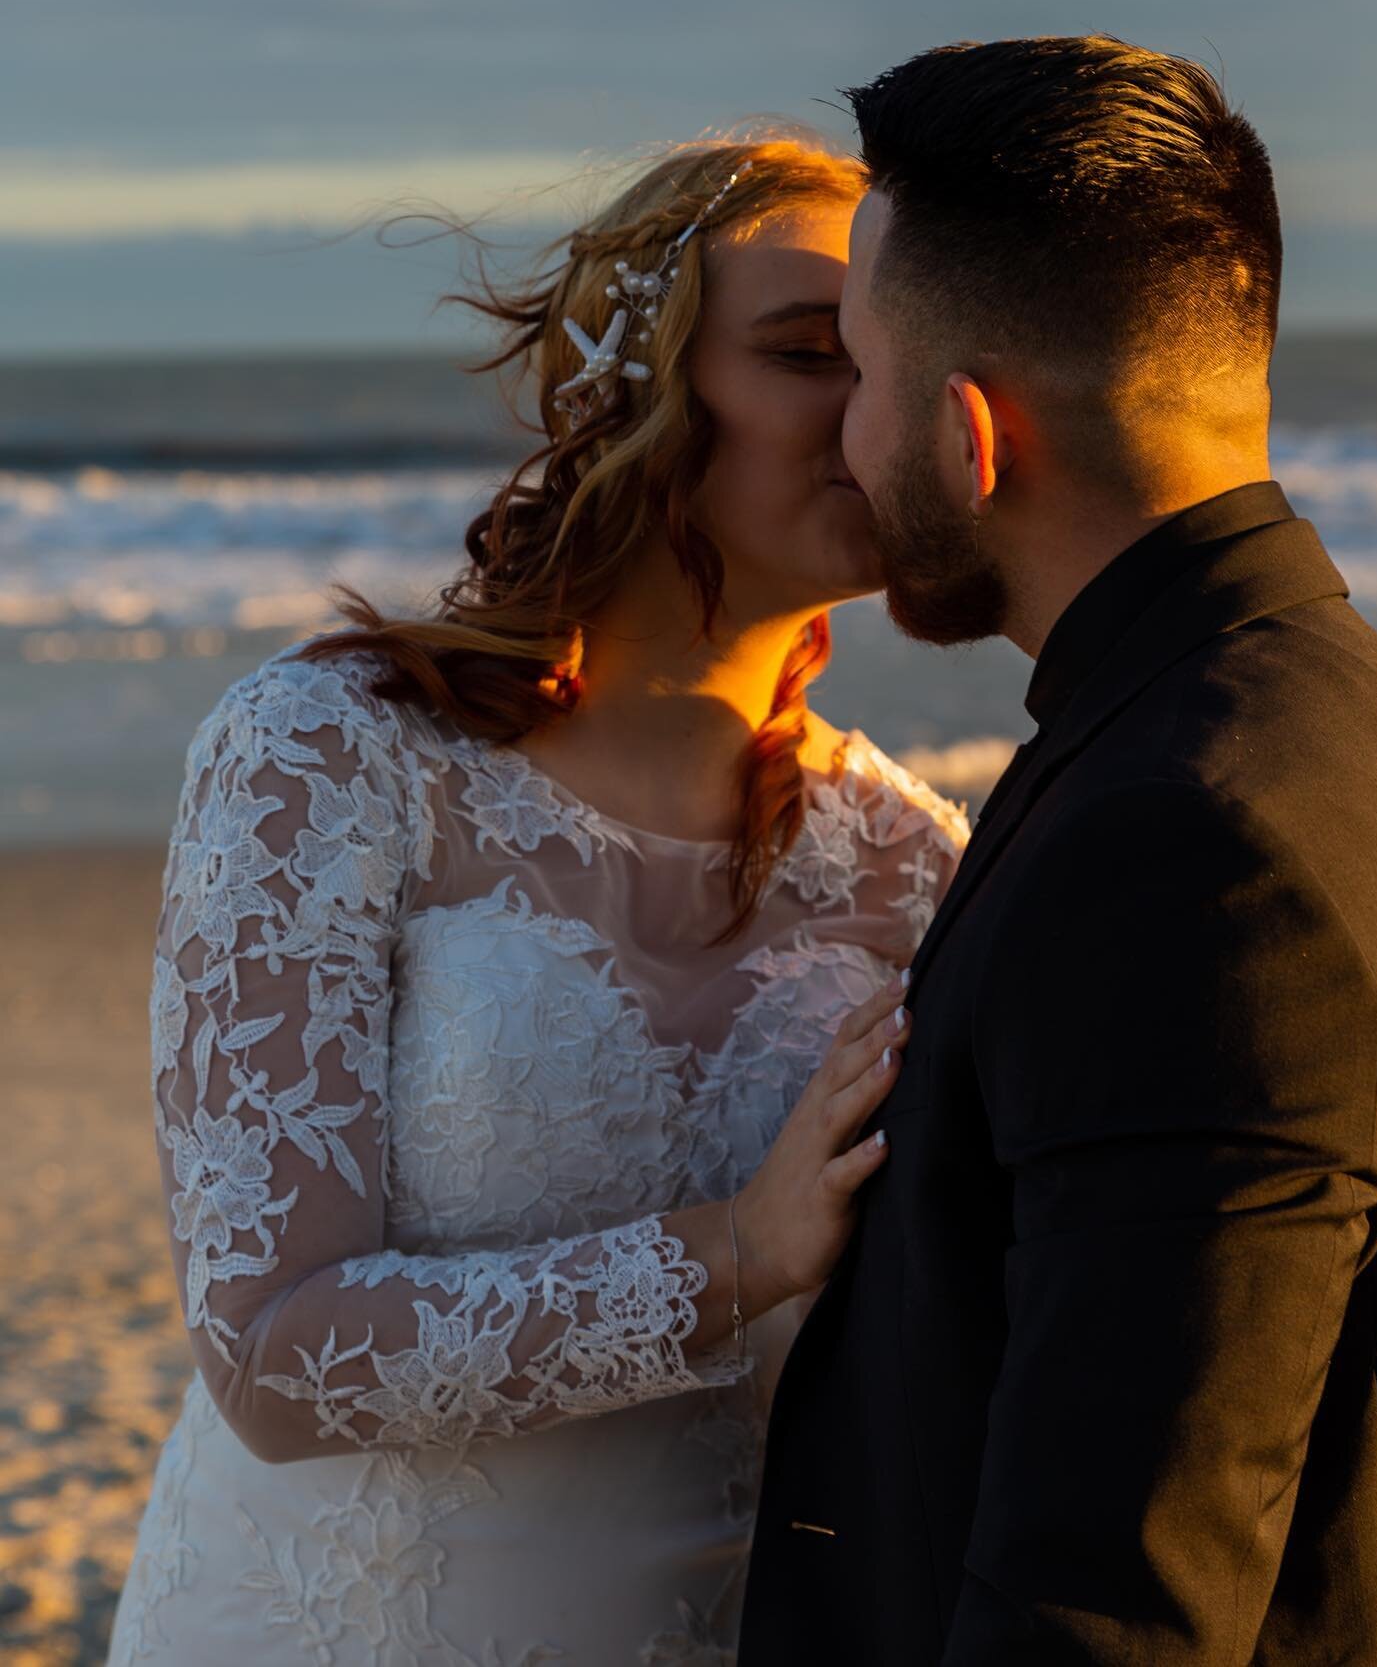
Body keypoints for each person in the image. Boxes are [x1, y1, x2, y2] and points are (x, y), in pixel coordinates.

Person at [105, 134, 971, 1666]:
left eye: (903, 361)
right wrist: (736, 1255)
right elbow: (269, 1354)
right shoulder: (327, 758)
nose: (873, 410)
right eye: (805, 353)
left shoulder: (919, 864)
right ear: (626, 389)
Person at [740, 38, 1377, 1665]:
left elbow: (1111, 1602)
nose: (848, 445)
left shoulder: (1191, 847)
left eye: (861, 375)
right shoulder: (1329, 706)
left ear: (973, 436)